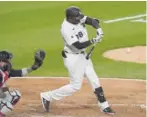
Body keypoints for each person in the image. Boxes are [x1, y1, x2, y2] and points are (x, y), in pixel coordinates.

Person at [40, 6, 115, 116]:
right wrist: (93, 40)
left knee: (94, 80)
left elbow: (91, 20)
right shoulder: (66, 28)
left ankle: (104, 106)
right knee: (75, 86)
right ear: (70, 18)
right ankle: (47, 96)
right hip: (72, 58)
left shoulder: (77, 18)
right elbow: (78, 46)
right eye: (77, 18)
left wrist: (99, 29)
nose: (79, 19)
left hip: (83, 56)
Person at [0, 50, 45, 117]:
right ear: (1, 61)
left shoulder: (3, 70)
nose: (10, 62)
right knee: (7, 106)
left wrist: (33, 67)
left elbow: (19, 73)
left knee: (14, 95)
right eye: (8, 60)